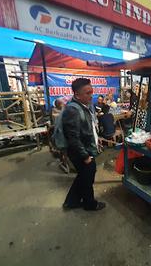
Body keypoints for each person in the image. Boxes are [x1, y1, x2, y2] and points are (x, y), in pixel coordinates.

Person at [62, 78, 105, 211]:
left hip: (87, 149)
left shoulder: (86, 106)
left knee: (83, 177)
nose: (91, 95)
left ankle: (71, 202)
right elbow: (73, 138)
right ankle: (90, 204)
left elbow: (89, 128)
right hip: (80, 153)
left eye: (91, 92)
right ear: (77, 95)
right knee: (87, 179)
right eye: (87, 93)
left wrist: (96, 142)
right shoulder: (73, 110)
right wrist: (85, 156)